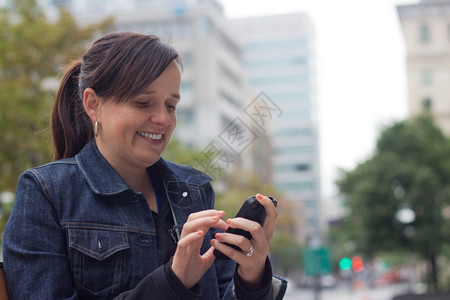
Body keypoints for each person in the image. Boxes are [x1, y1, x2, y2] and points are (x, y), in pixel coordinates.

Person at [2, 31, 287, 299]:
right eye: (143, 103)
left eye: (171, 105)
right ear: (93, 105)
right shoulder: (47, 192)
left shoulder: (194, 190)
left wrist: (253, 275)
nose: (163, 119)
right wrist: (172, 282)